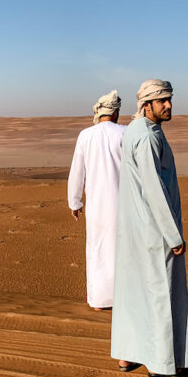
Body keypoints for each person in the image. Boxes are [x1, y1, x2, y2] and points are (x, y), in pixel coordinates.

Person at [111, 79, 188, 377]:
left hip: (137, 227)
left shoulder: (136, 130)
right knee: (160, 293)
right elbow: (154, 189)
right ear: (147, 105)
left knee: (135, 293)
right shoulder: (145, 136)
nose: (169, 105)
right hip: (153, 230)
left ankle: (128, 354)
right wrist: (173, 235)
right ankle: (160, 362)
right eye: (162, 101)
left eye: (170, 99)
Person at [67, 90, 126, 310]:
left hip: (96, 206)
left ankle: (99, 300)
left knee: (98, 249)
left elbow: (77, 172)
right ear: (116, 111)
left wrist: (75, 202)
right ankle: (123, 298)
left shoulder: (85, 135)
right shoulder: (126, 133)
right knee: (123, 250)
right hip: (124, 204)